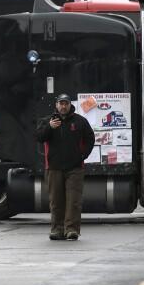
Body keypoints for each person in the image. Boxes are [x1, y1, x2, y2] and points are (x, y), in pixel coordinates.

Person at [35, 93, 95, 241]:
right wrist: (49, 128)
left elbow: (90, 139)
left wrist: (82, 156)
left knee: (73, 201)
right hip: (53, 168)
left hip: (75, 168)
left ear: (70, 105)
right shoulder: (47, 121)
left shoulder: (80, 121)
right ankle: (57, 229)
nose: (63, 106)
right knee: (56, 201)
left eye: (66, 103)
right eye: (61, 103)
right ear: (56, 105)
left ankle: (71, 230)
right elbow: (39, 137)